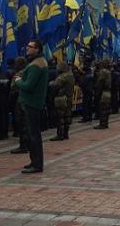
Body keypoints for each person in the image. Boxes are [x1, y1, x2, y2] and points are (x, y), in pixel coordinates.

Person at [15, 39, 49, 173]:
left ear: (37, 49)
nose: (27, 48)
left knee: (34, 134)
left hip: (31, 103)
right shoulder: (38, 62)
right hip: (32, 102)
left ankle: (37, 164)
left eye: (30, 47)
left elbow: (28, 85)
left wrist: (18, 81)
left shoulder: (36, 64)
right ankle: (34, 161)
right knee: (32, 134)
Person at [50, 62, 75, 141]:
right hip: (69, 98)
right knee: (67, 116)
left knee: (60, 117)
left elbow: (56, 86)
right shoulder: (71, 75)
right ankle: (65, 134)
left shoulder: (62, 77)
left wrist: (51, 84)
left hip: (61, 98)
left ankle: (60, 134)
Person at [94, 61, 112, 129]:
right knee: (106, 109)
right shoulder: (108, 71)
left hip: (103, 92)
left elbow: (100, 82)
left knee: (103, 109)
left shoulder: (103, 72)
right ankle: (105, 123)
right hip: (108, 92)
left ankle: (102, 124)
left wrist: (97, 92)